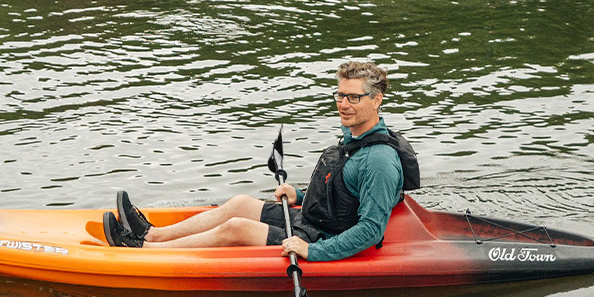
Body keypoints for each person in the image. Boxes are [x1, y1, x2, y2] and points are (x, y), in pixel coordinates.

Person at [104, 61, 404, 261]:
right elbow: (341, 191)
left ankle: (142, 251)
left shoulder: (379, 161)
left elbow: (371, 230)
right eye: (339, 96)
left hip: (324, 237)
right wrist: (299, 195)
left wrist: (313, 251)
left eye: (353, 98)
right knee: (239, 204)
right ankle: (152, 234)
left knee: (236, 227)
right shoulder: (353, 139)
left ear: (375, 100)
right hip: (311, 220)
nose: (343, 105)